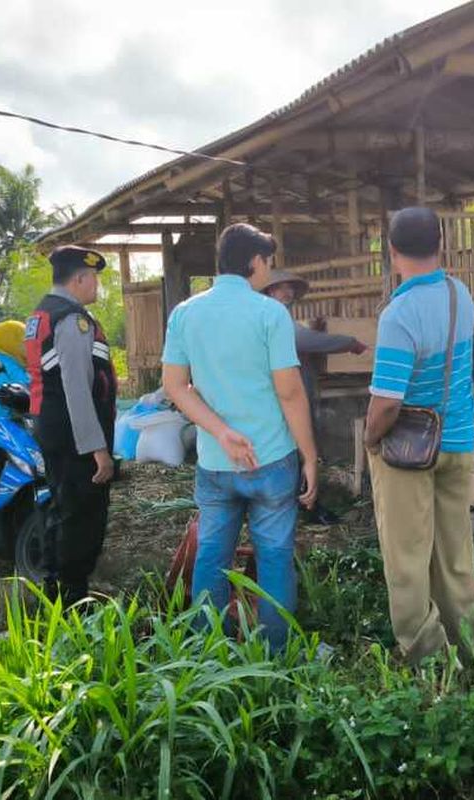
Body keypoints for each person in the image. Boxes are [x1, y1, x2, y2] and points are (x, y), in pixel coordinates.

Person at [162, 223, 318, 651]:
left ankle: (205, 651)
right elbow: (289, 391)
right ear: (255, 262)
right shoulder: (270, 314)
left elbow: (175, 386)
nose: (269, 269)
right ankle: (275, 654)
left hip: (215, 463)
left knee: (212, 555)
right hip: (270, 458)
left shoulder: (185, 313)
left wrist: (220, 431)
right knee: (273, 558)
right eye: (268, 261)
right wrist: (310, 456)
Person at [363, 207, 474, 664]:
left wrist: (371, 439)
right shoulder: (460, 295)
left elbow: (387, 403)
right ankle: (469, 649)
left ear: (391, 252)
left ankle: (426, 658)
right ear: (441, 244)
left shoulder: (400, 313)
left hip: (410, 453)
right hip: (458, 442)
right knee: (455, 557)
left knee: (408, 561)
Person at [25, 247, 117, 604]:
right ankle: (73, 599)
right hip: (75, 436)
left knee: (63, 509)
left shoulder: (42, 313)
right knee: (82, 517)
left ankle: (55, 588)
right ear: (79, 279)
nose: (97, 286)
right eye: (94, 278)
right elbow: (77, 388)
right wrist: (98, 450)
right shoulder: (71, 319)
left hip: (54, 429)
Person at [260, 270, 367, 524]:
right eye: (280, 288)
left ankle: (292, 502)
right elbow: (304, 340)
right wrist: (350, 342)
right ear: (269, 291)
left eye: (289, 288)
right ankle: (308, 505)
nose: (287, 293)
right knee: (301, 443)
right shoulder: (275, 317)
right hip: (290, 391)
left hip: (285, 389)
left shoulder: (270, 315)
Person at [0, 319, 30, 432]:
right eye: (23, 339)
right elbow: (26, 387)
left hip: (13, 427)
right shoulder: (4, 366)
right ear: (10, 342)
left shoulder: (15, 361)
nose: (28, 343)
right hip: (3, 432)